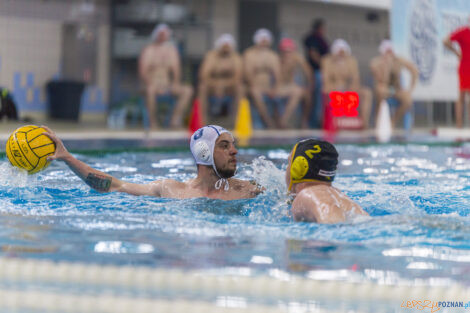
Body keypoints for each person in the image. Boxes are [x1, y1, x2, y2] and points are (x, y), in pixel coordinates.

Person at [42, 125, 262, 200]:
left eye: (233, 145)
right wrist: (68, 158)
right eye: (224, 146)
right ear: (203, 153)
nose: (234, 151)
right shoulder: (170, 189)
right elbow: (114, 185)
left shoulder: (248, 190)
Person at [285, 139, 368, 223]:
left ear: (298, 169)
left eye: (288, 162)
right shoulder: (341, 197)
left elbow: (333, 221)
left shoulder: (308, 195)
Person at [138, 24, 193, 129]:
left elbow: (176, 70)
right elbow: (143, 71)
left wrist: (175, 83)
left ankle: (175, 119)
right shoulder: (149, 50)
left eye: (165, 34)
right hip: (151, 84)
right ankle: (153, 122)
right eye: (160, 34)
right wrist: (151, 83)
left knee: (188, 90)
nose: (163, 37)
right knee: (151, 90)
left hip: (167, 84)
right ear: (156, 35)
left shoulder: (171, 51)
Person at [244, 29, 296, 129]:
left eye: (266, 40)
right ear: (257, 40)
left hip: (268, 87)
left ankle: (283, 121)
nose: (264, 42)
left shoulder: (272, 56)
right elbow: (248, 74)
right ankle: (268, 121)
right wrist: (254, 85)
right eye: (262, 40)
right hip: (254, 87)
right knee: (255, 92)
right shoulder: (249, 54)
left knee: (296, 91)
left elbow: (277, 75)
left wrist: (275, 89)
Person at [322, 39, 372, 128]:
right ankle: (334, 125)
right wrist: (337, 88)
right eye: (339, 52)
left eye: (343, 52)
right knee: (330, 93)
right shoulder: (327, 61)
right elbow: (326, 81)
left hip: (349, 89)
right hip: (333, 89)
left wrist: (349, 88)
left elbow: (356, 79)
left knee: (367, 93)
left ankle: (365, 124)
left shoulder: (351, 61)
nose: (341, 54)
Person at [370, 40, 418, 128]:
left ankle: (393, 121)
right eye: (387, 52)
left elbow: (414, 70)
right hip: (384, 88)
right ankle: (378, 122)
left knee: (408, 100)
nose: (389, 54)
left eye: (390, 51)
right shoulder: (376, 63)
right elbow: (383, 80)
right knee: (381, 91)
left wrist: (410, 89)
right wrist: (387, 66)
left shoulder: (399, 60)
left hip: (396, 90)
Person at [198, 34, 244, 128]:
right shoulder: (211, 56)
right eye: (224, 46)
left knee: (240, 88)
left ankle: (235, 122)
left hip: (229, 88)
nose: (225, 49)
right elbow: (204, 75)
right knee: (202, 87)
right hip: (212, 87)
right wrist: (217, 84)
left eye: (228, 47)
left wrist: (223, 85)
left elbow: (238, 77)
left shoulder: (235, 57)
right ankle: (203, 121)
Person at [279, 38, 313, 129]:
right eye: (285, 52)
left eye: (289, 52)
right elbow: (278, 81)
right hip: (280, 88)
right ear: (282, 52)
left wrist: (309, 86)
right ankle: (283, 121)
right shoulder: (278, 61)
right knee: (297, 92)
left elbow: (308, 72)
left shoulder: (297, 58)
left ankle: (304, 121)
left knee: (307, 95)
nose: (287, 54)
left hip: (291, 87)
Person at [303, 19, 329, 128]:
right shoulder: (313, 38)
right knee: (317, 97)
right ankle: (314, 122)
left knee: (319, 97)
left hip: (319, 71)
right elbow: (313, 54)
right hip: (316, 72)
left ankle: (317, 120)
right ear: (319, 28)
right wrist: (324, 67)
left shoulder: (320, 39)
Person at [444, 21, 470, 128]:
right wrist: (456, 52)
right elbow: (446, 41)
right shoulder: (463, 32)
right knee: (462, 95)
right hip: (465, 66)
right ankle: (459, 125)